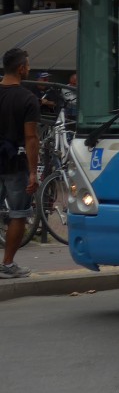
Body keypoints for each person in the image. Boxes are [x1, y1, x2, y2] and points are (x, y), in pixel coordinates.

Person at [0, 48, 40, 279]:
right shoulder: (27, 99)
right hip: (14, 164)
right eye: (28, 65)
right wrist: (33, 172)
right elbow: (31, 138)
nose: (29, 69)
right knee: (18, 213)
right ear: (21, 68)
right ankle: (7, 264)